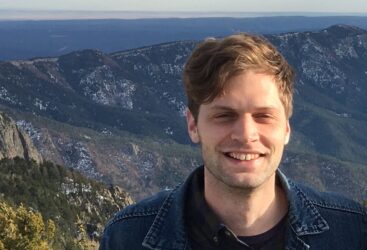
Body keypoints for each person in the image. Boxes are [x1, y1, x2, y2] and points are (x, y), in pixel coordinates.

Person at [100, 33, 367, 250]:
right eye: (225, 116)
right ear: (193, 126)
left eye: (263, 116)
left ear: (286, 129)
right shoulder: (129, 237)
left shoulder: (351, 231)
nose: (245, 134)